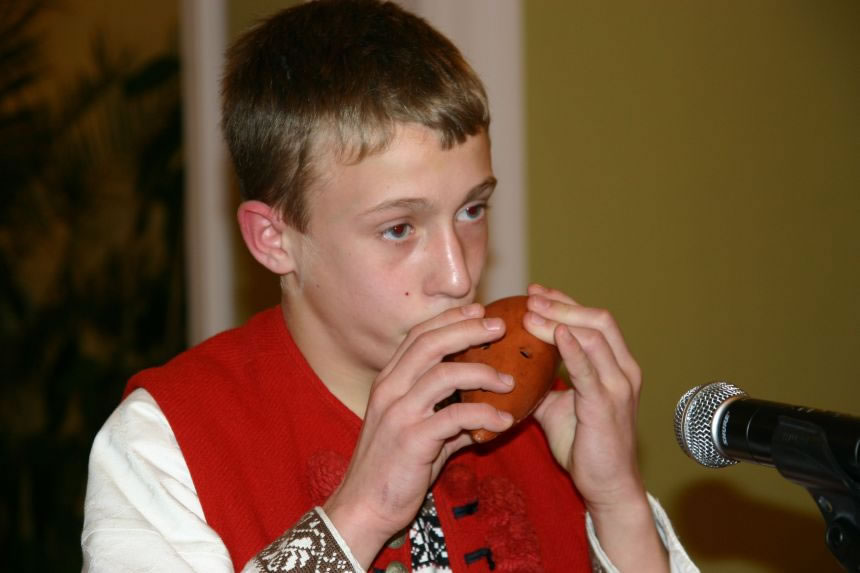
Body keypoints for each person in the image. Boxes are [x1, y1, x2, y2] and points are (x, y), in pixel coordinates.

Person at [81, 1, 698, 571]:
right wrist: (361, 514)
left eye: (472, 210)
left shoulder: (545, 418)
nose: (459, 276)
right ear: (274, 239)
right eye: (399, 228)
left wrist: (617, 501)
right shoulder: (165, 443)